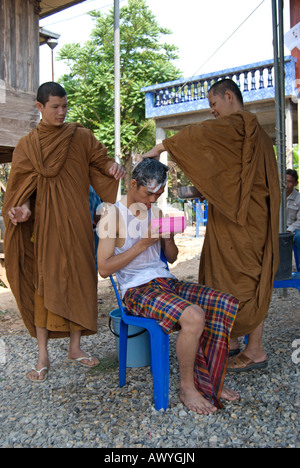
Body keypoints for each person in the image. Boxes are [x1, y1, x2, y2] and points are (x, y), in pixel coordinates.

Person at [143, 78, 281, 372]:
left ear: (228, 97)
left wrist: (163, 146)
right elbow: (230, 179)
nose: (213, 113)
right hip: (236, 219)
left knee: (247, 281)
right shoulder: (247, 137)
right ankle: (230, 340)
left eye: (214, 105)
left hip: (247, 222)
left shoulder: (241, 125)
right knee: (222, 278)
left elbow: (201, 135)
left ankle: (255, 350)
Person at [2, 82, 126, 382]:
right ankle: (42, 356)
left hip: (79, 227)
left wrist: (112, 168)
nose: (61, 112)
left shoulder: (79, 136)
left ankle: (75, 348)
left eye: (65, 106)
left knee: (80, 283)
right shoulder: (28, 146)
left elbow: (101, 160)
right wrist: (23, 210)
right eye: (55, 107)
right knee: (44, 287)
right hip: (46, 231)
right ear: (40, 107)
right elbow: (24, 193)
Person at [97, 158, 240, 415]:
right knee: (194, 316)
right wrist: (142, 243)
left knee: (223, 302)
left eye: (159, 194)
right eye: (149, 193)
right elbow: (104, 269)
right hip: (137, 290)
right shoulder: (112, 216)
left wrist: (168, 238)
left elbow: (171, 257)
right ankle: (187, 387)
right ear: (132, 184)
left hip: (166, 282)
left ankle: (209, 382)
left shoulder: (156, 212)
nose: (153, 200)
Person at [286, 169, 300, 268]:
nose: (287, 184)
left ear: (296, 183)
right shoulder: (275, 194)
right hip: (275, 227)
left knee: (299, 237)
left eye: (290, 181)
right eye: (285, 181)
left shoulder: (299, 198)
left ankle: (299, 266)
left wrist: (289, 229)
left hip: (292, 229)